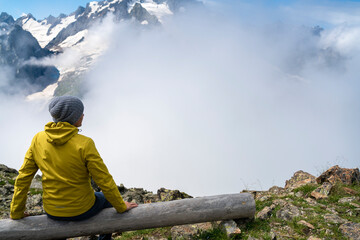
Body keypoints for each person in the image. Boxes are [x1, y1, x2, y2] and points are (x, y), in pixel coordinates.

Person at [10, 96, 137, 240]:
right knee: (104, 198)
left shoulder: (38, 139)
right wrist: (121, 206)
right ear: (73, 117)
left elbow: (23, 178)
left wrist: (16, 212)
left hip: (52, 210)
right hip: (82, 209)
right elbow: (104, 180)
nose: (83, 115)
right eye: (80, 113)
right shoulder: (85, 143)